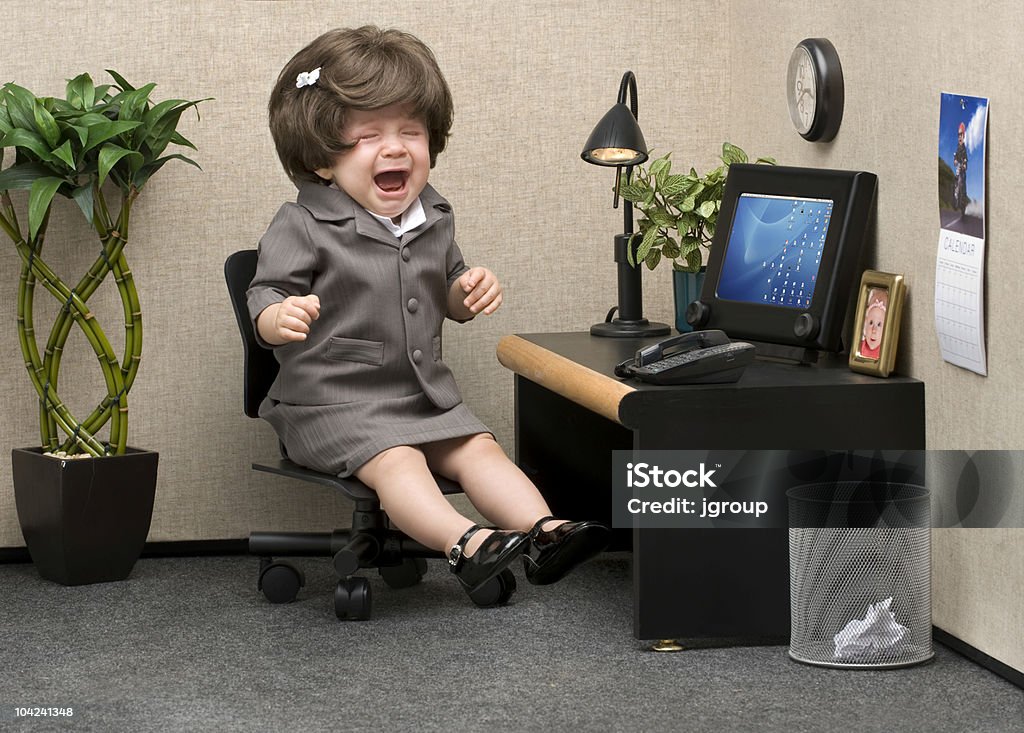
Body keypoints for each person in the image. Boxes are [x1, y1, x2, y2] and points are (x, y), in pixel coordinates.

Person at [247, 26, 609, 596]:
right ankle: (466, 545)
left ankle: (544, 533)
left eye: (410, 132)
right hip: (331, 404)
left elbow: (445, 290)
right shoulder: (304, 223)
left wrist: (466, 294)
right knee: (399, 461)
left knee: (479, 448)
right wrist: (277, 317)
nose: (395, 148)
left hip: (420, 395)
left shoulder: (434, 216)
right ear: (321, 159)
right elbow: (263, 291)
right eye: (369, 136)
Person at [859, 288, 888, 360]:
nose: (874, 330)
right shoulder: (860, 347)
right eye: (871, 323)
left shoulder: (884, 352)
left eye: (879, 325)